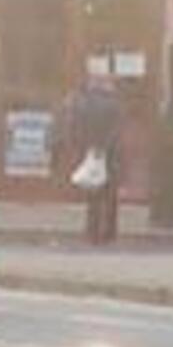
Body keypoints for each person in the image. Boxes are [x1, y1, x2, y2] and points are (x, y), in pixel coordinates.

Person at [59, 73, 125, 245]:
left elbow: (74, 126)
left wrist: (82, 147)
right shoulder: (114, 103)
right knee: (110, 194)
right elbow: (117, 130)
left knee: (93, 193)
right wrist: (105, 147)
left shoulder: (82, 103)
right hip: (109, 153)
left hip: (89, 151)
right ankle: (110, 232)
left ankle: (92, 232)